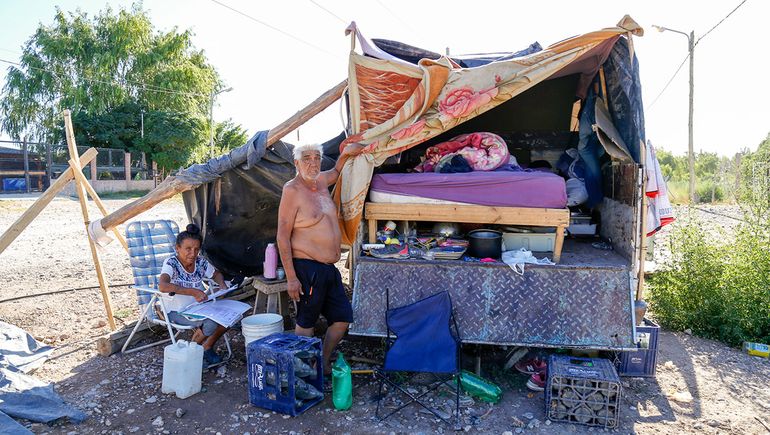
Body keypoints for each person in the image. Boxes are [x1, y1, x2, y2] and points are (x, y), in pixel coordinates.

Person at [277, 142, 364, 375]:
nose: (313, 162)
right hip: (306, 267)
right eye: (307, 158)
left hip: (328, 268)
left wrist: (345, 154)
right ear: (296, 162)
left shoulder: (321, 182)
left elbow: (336, 172)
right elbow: (282, 236)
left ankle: (322, 361)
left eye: (316, 158)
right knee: (306, 322)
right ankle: (304, 372)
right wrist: (292, 278)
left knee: (343, 318)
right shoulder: (292, 190)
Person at [158, 223, 229, 366]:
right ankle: (189, 354)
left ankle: (206, 347)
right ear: (177, 248)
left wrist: (222, 284)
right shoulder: (171, 263)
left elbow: (216, 274)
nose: (193, 253)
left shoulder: (200, 262)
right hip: (176, 311)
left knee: (228, 317)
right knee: (211, 323)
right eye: (188, 249)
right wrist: (192, 291)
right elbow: (163, 286)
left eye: (196, 249)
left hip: (197, 308)